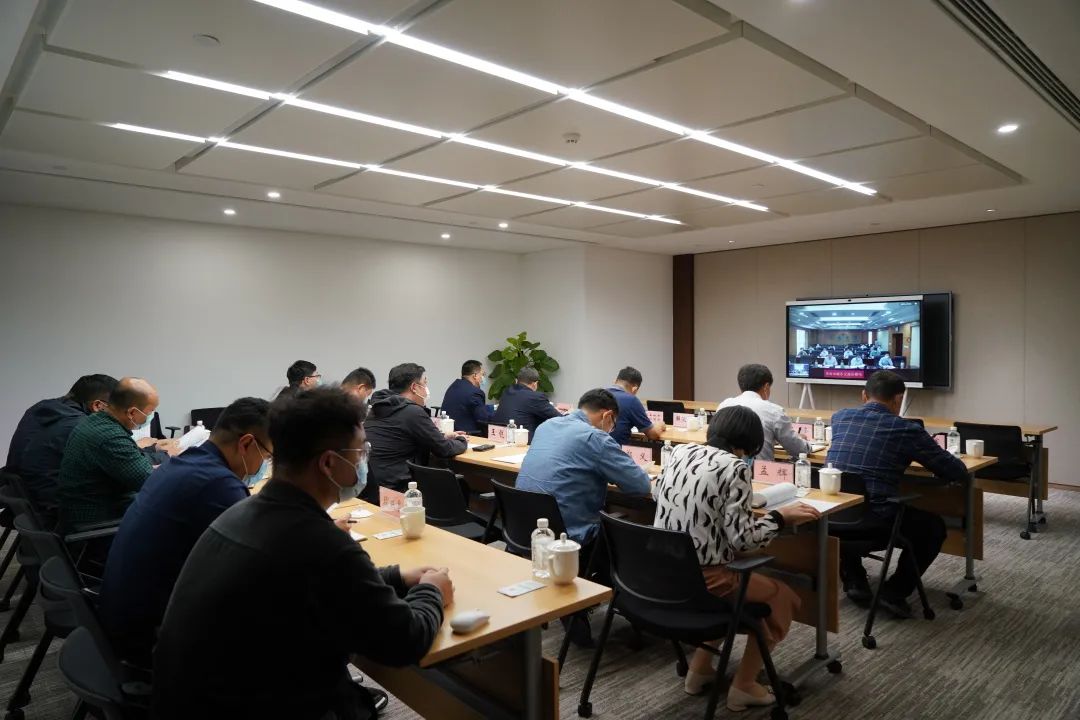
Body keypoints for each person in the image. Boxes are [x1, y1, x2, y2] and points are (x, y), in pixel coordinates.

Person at [152, 388, 451, 720]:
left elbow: (313, 580)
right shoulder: (320, 542)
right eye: (360, 451)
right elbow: (404, 641)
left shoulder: (243, 512)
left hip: (191, 699)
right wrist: (432, 589)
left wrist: (395, 576)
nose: (363, 461)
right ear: (329, 463)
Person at [654, 406, 819, 710]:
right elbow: (744, 541)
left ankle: (699, 671)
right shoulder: (735, 467)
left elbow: (658, 494)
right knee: (782, 599)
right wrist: (779, 518)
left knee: (734, 603)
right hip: (706, 581)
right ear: (751, 442)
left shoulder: (679, 452)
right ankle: (744, 686)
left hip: (664, 574)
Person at [99, 397, 273, 667]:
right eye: (268, 455)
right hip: (152, 642)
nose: (266, 463)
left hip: (119, 619)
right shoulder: (219, 485)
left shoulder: (185, 463)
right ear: (246, 444)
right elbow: (257, 568)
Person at [827, 371, 968, 617]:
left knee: (852, 501)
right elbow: (954, 471)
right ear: (898, 399)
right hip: (875, 522)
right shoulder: (906, 429)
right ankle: (893, 592)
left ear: (863, 396)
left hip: (832, 518)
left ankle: (854, 578)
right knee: (933, 527)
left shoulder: (840, 417)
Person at [518, 389, 651, 546]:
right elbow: (641, 486)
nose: (611, 430)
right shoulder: (596, 437)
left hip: (526, 528)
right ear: (607, 415)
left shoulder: (546, 426)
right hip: (569, 538)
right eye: (613, 425)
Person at [57, 377, 160, 530]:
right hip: (96, 525)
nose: (151, 416)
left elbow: (135, 466)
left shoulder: (95, 421)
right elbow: (151, 484)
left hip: (88, 511)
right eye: (150, 411)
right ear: (132, 412)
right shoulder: (110, 436)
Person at [15, 375, 118, 520]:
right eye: (117, 408)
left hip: (30, 502)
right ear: (97, 406)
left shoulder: (40, 409)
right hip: (58, 511)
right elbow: (120, 462)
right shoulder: (80, 426)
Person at [365, 363, 468, 503]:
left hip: (372, 488)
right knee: (460, 486)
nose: (426, 389)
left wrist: (441, 436)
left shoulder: (377, 408)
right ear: (414, 387)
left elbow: (400, 436)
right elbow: (444, 449)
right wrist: (462, 440)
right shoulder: (411, 411)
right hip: (398, 490)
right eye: (425, 383)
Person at [718, 364, 811, 462]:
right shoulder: (774, 411)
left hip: (724, 467)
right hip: (759, 470)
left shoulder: (724, 405)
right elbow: (798, 449)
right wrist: (806, 444)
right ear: (766, 387)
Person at [490, 367, 561, 440]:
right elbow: (559, 418)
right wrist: (565, 412)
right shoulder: (535, 397)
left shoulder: (507, 392)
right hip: (522, 441)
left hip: (498, 438)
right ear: (535, 384)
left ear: (516, 381)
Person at [605, 366, 666, 445]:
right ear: (635, 389)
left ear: (615, 381)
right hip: (617, 450)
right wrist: (660, 425)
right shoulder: (631, 400)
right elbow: (652, 434)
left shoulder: (598, 395)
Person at [440, 360, 493, 434]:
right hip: (469, 435)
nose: (483, 378)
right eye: (482, 374)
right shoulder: (475, 392)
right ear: (475, 376)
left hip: (450, 433)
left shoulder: (453, 387)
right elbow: (483, 419)